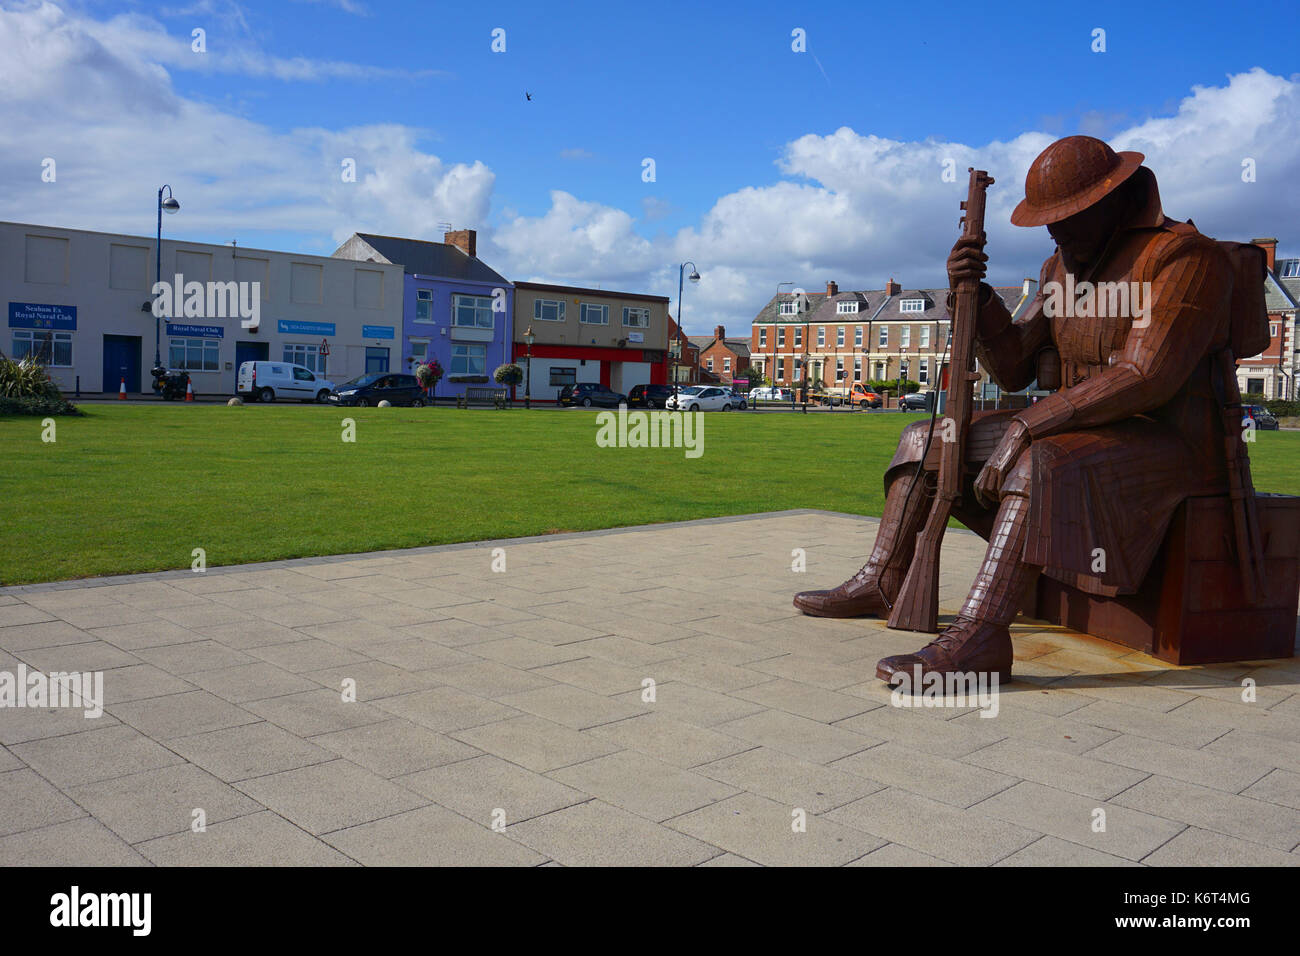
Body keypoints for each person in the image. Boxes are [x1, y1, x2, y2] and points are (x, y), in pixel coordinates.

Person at [793, 135, 1236, 685]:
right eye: (1049, 220)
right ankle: (884, 577)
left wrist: (1032, 423)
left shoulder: (1184, 257)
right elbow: (1013, 369)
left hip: (1170, 443)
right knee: (924, 438)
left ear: (1114, 199)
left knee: (1041, 462)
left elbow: (1146, 376)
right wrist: (976, 300)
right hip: (1083, 431)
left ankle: (981, 634)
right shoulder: (1058, 270)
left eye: (1068, 216)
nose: (1055, 230)